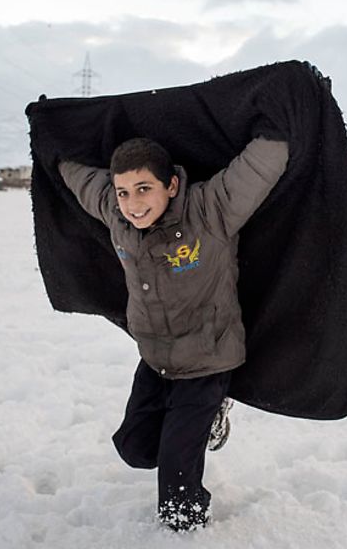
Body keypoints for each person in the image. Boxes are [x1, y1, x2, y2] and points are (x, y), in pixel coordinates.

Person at [58, 135, 289, 531]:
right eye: (124, 192)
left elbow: (261, 164)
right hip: (155, 359)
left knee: (177, 492)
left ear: (172, 185)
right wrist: (52, 142)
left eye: (144, 189)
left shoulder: (210, 210)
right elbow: (81, 179)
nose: (132, 204)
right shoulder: (116, 213)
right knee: (135, 449)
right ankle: (197, 429)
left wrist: (290, 105)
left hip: (207, 359)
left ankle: (187, 531)